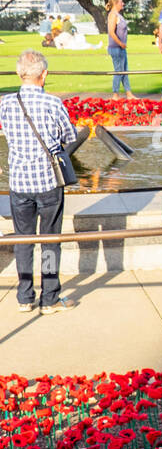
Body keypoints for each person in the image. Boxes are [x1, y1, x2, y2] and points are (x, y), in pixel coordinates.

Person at [0, 50, 77, 313]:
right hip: (48, 182)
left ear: (20, 74)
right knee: (50, 240)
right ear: (43, 75)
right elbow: (70, 134)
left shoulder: (6, 103)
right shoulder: (53, 104)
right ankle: (49, 298)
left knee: (23, 240)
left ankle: (24, 297)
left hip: (19, 182)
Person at [106, 0, 132, 100]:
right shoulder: (113, 15)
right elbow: (111, 32)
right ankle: (115, 94)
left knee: (124, 71)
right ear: (116, 4)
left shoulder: (118, 15)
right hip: (116, 48)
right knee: (119, 71)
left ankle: (129, 93)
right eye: (121, 2)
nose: (123, 4)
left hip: (121, 48)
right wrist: (120, 43)